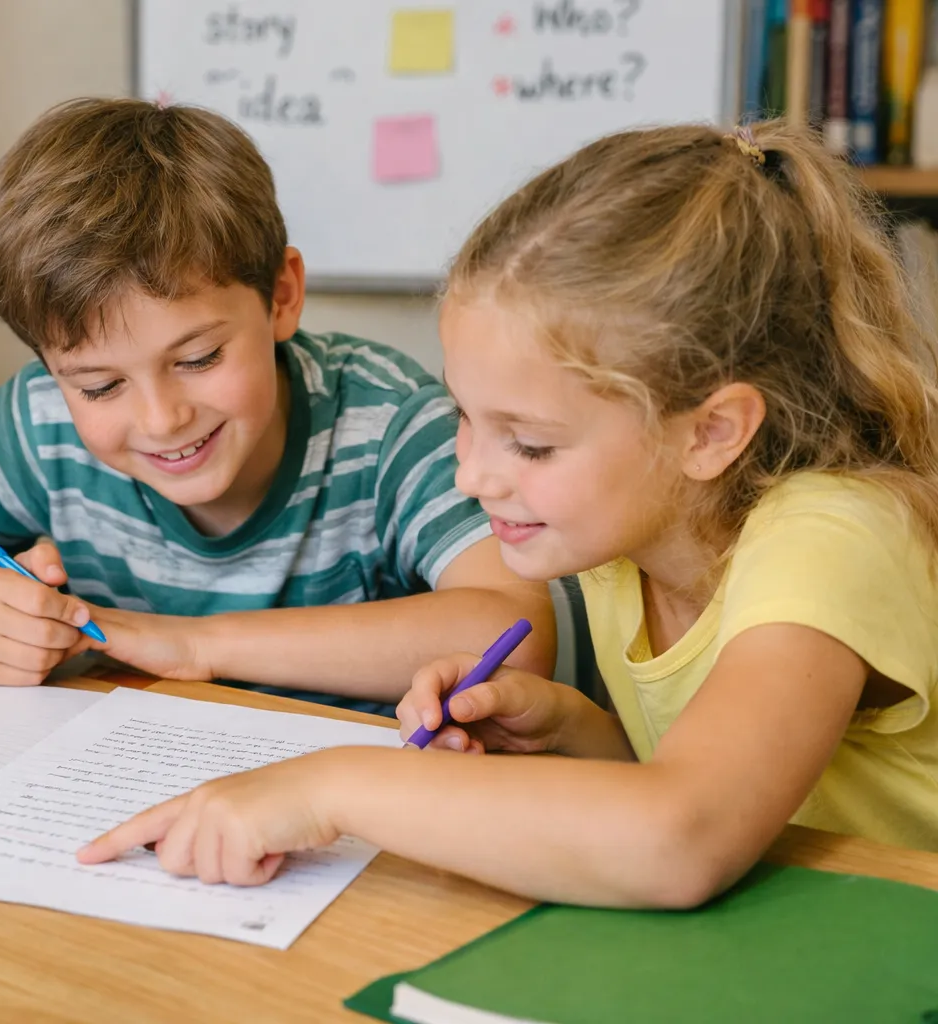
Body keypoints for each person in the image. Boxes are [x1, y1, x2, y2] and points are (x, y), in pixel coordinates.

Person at [79, 121, 938, 905]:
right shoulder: (619, 542)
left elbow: (685, 836)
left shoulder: (834, 538)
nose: (471, 477)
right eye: (464, 418)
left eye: (528, 445)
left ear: (710, 432)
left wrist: (328, 787)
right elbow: (721, 786)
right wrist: (571, 731)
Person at [0, 98, 560, 714]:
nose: (161, 419)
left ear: (281, 296)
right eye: (99, 386)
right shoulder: (40, 424)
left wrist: (192, 645)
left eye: (197, 359)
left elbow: (513, 632)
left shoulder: (388, 423)